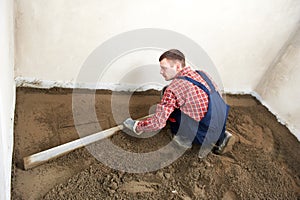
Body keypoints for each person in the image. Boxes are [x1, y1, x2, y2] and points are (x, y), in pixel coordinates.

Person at [123, 49, 235, 156]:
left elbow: (158, 123)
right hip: (221, 121)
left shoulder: (173, 89)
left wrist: (137, 126)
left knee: (172, 111)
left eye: (164, 68)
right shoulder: (202, 74)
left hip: (204, 134)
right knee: (180, 101)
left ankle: (185, 138)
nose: (161, 72)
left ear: (177, 67)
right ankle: (222, 135)